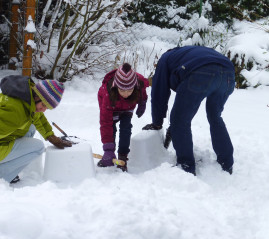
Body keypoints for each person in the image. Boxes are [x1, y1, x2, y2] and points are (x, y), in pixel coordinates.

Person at [143, 46, 235, 175]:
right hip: (228, 74)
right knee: (215, 116)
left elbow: (159, 91)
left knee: (179, 120)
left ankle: (186, 167)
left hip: (202, 73)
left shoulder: (165, 59)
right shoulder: (189, 52)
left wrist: (157, 122)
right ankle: (227, 164)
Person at [0, 75, 72, 184]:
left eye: (47, 108)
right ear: (37, 96)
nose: (43, 110)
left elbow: (37, 116)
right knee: (38, 147)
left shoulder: (25, 96)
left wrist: (50, 136)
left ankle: (6, 167)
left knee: (30, 128)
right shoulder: (14, 110)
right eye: (43, 105)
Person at [98, 63, 149, 172]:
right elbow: (105, 123)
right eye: (122, 90)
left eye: (129, 90)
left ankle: (122, 156)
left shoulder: (138, 84)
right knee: (112, 129)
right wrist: (108, 148)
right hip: (111, 106)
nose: (126, 94)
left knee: (126, 128)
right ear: (116, 87)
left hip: (128, 107)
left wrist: (142, 103)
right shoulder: (107, 93)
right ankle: (109, 154)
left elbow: (143, 92)